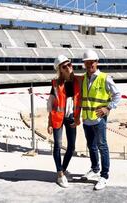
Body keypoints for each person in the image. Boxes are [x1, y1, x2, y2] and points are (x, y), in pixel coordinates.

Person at [81, 49, 121, 190]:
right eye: (87, 62)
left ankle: (104, 176)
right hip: (86, 120)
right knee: (91, 146)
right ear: (84, 64)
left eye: (92, 62)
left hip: (99, 120)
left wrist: (108, 108)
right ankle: (95, 169)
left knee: (102, 146)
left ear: (97, 62)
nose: (89, 65)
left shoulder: (105, 78)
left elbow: (117, 95)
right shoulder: (83, 78)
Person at [47, 55, 82, 188]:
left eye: (69, 64)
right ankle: (60, 175)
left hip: (72, 118)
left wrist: (78, 117)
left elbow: (80, 102)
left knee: (71, 147)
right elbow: (50, 104)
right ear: (60, 70)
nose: (68, 67)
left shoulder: (78, 81)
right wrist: (49, 122)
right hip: (58, 119)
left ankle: (62, 168)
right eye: (64, 66)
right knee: (57, 145)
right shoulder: (56, 84)